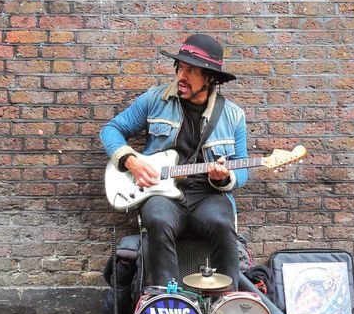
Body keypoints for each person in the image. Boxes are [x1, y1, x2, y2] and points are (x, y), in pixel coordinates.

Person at [99, 34, 247, 289]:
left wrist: (225, 178)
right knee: (158, 218)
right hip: (162, 194)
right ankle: (167, 298)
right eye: (180, 67)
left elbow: (242, 167)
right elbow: (111, 130)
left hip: (207, 195)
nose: (181, 76)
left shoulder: (233, 116)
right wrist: (131, 160)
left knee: (223, 223)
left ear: (210, 77)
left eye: (191, 70)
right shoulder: (154, 100)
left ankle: (227, 301)